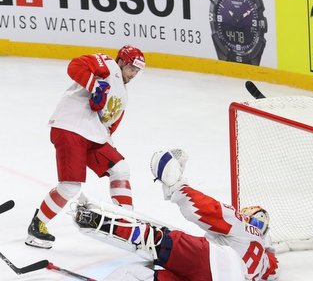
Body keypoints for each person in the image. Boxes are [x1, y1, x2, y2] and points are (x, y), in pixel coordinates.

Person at [73, 149, 279, 281]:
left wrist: (178, 186)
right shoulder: (264, 262)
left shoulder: (243, 225)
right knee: (142, 275)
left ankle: (101, 222)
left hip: (212, 260)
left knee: (159, 239)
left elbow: (207, 211)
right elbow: (274, 268)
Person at [25, 45, 146, 249]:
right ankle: (37, 226)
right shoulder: (108, 65)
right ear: (122, 62)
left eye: (137, 71)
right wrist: (95, 86)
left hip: (93, 135)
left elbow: (110, 125)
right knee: (70, 186)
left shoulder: (123, 96)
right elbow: (75, 65)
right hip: (70, 127)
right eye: (132, 68)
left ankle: (125, 221)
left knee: (120, 168)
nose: (134, 74)